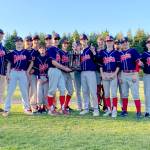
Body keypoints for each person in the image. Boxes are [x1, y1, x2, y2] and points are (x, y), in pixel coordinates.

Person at [2, 37, 32, 117]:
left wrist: (27, 71)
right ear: (15, 43)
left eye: (20, 42)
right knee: (10, 91)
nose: (19, 43)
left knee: (24, 91)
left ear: (22, 43)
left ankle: (26, 108)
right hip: (13, 72)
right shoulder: (12, 53)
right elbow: (8, 64)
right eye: (17, 42)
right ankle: (6, 109)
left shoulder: (26, 52)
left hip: (22, 72)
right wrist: (8, 73)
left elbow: (31, 62)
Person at [46, 33, 72, 115]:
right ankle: (51, 109)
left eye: (58, 39)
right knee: (52, 90)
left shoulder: (57, 50)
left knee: (63, 90)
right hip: (53, 70)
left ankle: (62, 108)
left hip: (59, 70)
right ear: (52, 40)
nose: (56, 40)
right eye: (55, 39)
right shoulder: (51, 49)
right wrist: (64, 68)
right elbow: (53, 62)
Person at [119, 37, 143, 119]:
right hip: (123, 74)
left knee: (135, 94)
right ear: (121, 44)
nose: (124, 43)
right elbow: (119, 66)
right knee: (124, 94)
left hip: (133, 73)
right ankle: (124, 111)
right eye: (123, 42)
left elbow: (138, 63)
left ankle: (139, 112)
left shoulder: (133, 50)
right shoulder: (120, 53)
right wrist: (120, 76)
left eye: (125, 41)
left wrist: (135, 73)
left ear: (128, 42)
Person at [99, 36, 120, 118]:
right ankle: (109, 109)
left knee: (113, 93)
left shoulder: (116, 52)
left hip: (113, 74)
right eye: (107, 41)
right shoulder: (102, 52)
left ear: (113, 42)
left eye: (110, 40)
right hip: (105, 74)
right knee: (106, 94)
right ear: (105, 42)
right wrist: (102, 74)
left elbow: (118, 65)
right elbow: (100, 64)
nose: (109, 42)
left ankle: (114, 109)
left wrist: (114, 74)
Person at [79, 34, 99, 117]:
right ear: (80, 41)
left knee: (93, 91)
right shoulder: (80, 51)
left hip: (91, 72)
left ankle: (96, 109)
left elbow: (97, 59)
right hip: (82, 72)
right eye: (81, 39)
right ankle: (86, 108)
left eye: (84, 39)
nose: (83, 40)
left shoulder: (91, 49)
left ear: (87, 40)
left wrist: (94, 52)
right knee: (85, 91)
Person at [28, 45, 50, 113]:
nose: (42, 50)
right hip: (40, 78)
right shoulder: (37, 59)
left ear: (45, 50)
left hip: (46, 78)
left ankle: (44, 107)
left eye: (43, 49)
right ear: (39, 50)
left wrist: (47, 78)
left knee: (46, 93)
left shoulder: (48, 58)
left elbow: (49, 69)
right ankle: (39, 107)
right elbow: (35, 70)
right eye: (41, 49)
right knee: (39, 93)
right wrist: (39, 78)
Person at [59, 38, 74, 113]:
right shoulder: (59, 52)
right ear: (62, 44)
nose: (65, 44)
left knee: (71, 90)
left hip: (68, 73)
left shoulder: (69, 53)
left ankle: (65, 105)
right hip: (62, 73)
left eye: (67, 43)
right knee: (62, 90)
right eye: (64, 43)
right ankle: (62, 107)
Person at [96, 36, 107, 112]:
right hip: (97, 72)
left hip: (105, 72)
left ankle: (105, 106)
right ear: (97, 43)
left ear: (104, 43)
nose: (100, 44)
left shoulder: (107, 51)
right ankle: (97, 105)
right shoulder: (95, 51)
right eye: (99, 42)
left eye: (102, 42)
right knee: (97, 90)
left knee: (105, 90)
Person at [141, 37, 150, 117]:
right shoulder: (144, 54)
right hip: (147, 75)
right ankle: (147, 111)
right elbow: (139, 62)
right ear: (147, 44)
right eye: (149, 42)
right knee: (147, 94)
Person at [72, 41, 82, 111]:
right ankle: (79, 106)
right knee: (77, 91)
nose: (76, 47)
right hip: (76, 73)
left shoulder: (83, 53)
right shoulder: (71, 54)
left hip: (83, 72)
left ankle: (89, 106)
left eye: (77, 45)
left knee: (86, 90)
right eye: (74, 46)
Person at [0, 29, 7, 112]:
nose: (0, 35)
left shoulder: (3, 48)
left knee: (1, 91)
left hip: (2, 72)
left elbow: (7, 60)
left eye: (2, 34)